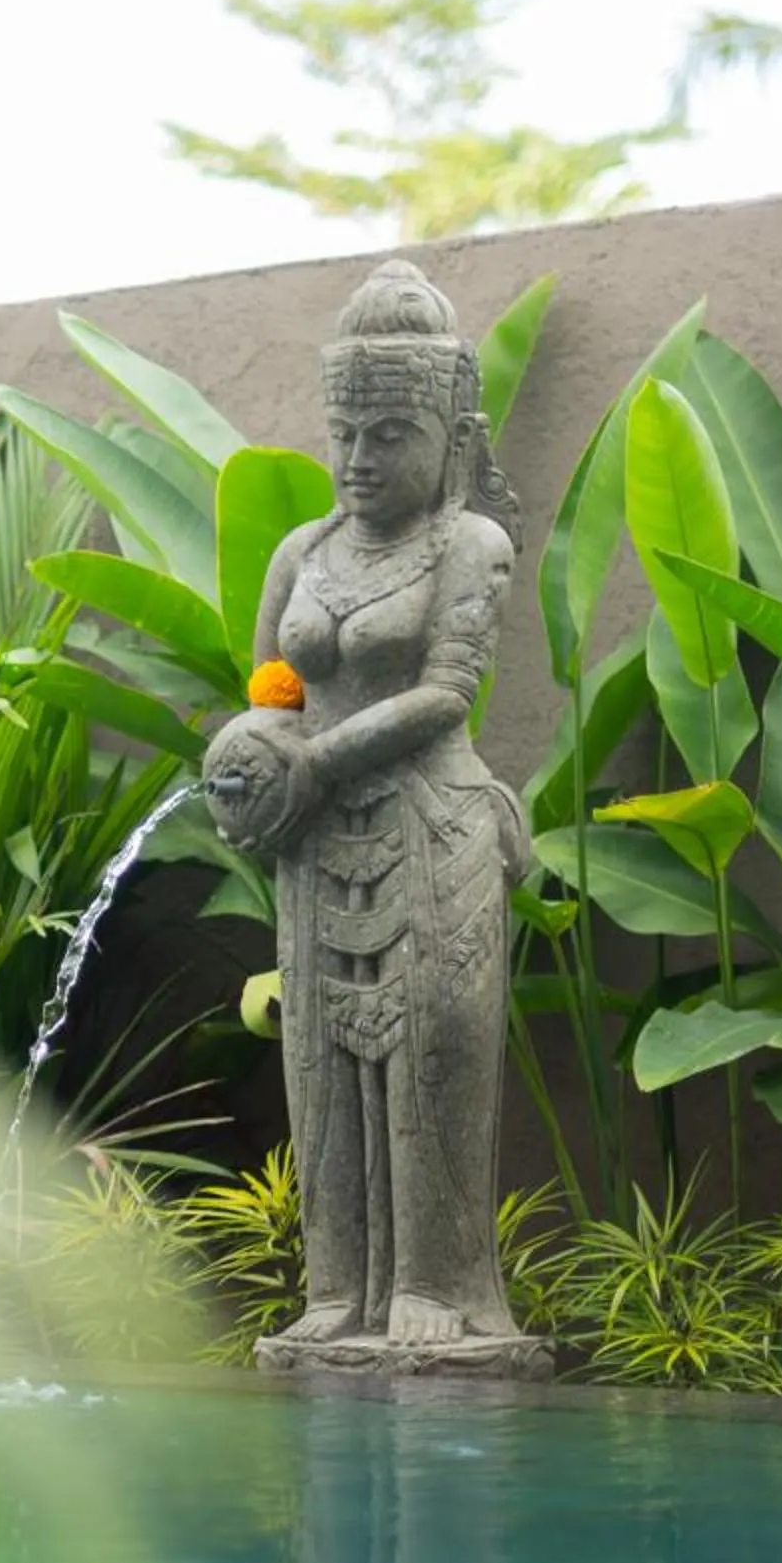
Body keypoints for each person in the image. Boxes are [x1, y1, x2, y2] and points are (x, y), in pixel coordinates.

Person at [202, 260, 532, 1359]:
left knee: (433, 1055)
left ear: (451, 434)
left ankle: (437, 1286)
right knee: (320, 1067)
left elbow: (447, 694)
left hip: (433, 828)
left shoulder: (470, 545)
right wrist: (251, 755)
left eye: (389, 434)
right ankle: (336, 1285)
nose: (358, 459)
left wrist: (319, 761)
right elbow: (272, 690)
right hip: (315, 841)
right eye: (345, 432)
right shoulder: (303, 550)